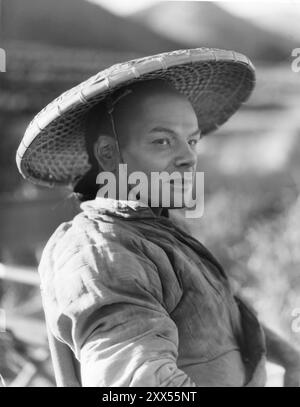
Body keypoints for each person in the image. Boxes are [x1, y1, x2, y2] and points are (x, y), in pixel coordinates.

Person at [16, 48, 300, 387]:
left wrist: (289, 357)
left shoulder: (155, 230)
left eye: (191, 141)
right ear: (109, 154)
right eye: (163, 141)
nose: (188, 158)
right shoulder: (99, 253)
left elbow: (219, 311)